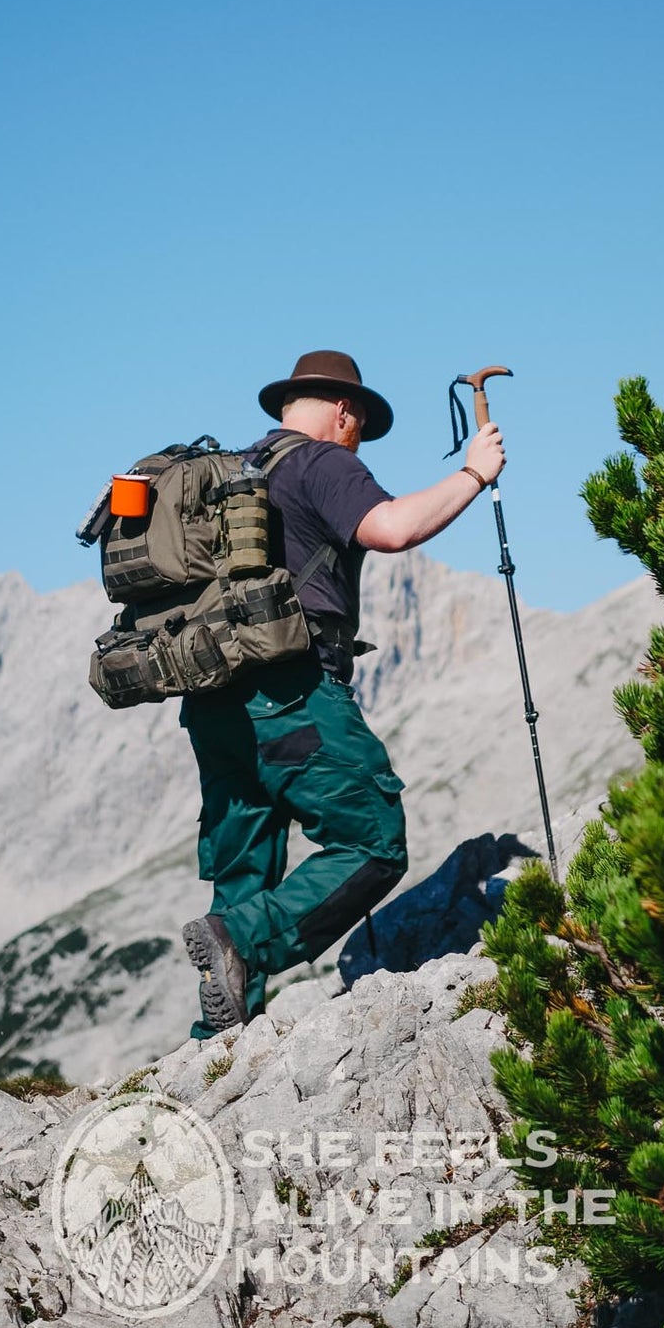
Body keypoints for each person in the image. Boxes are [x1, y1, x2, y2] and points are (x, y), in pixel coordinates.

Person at [179, 349, 506, 1036]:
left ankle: (217, 1042)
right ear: (343, 409)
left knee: (245, 869)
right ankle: (244, 941)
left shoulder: (231, 474)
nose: (357, 435)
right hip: (291, 690)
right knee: (374, 840)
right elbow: (391, 527)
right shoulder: (320, 462)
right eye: (359, 422)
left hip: (211, 702)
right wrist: (473, 473)